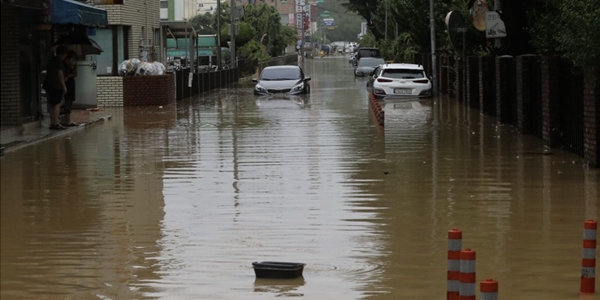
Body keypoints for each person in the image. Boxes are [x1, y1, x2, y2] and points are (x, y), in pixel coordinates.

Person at [45, 45, 68, 130]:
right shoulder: (59, 62)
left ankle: (52, 123)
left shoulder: (52, 60)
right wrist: (64, 86)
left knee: (52, 105)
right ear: (63, 54)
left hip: (49, 85)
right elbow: (60, 74)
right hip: (56, 86)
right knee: (57, 105)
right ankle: (56, 123)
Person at [61, 50, 78, 127]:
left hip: (71, 85)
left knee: (70, 102)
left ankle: (67, 119)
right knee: (68, 102)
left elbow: (74, 75)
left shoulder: (69, 65)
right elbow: (66, 77)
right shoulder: (64, 66)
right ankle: (66, 119)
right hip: (68, 85)